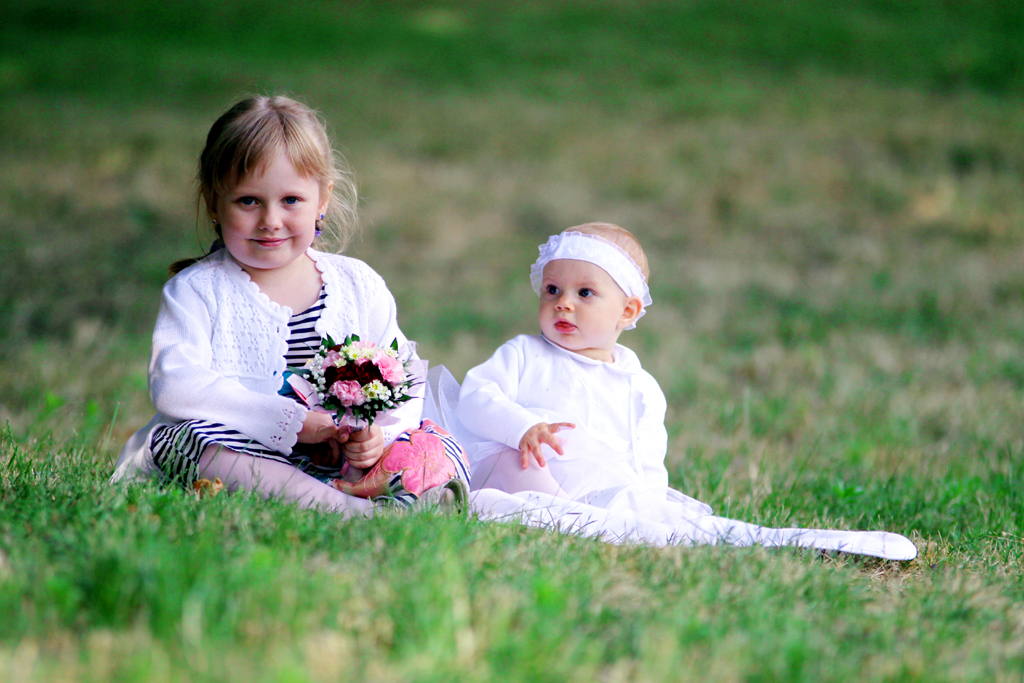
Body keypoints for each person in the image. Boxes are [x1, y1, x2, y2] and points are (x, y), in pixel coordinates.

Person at [455, 224, 917, 559]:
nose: (564, 302)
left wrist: (650, 498)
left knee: (653, 516)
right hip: (527, 470)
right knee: (526, 482)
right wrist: (523, 427)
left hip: (601, 489)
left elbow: (646, 458)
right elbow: (476, 398)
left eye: (585, 293)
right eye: (552, 288)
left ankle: (768, 540)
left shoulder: (640, 386)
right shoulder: (524, 354)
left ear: (628, 310)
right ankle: (538, 514)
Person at [112, 95, 468, 514]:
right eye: (248, 201)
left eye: (291, 201)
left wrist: (375, 433)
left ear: (323, 200)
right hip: (246, 453)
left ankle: (400, 496)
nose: (270, 220)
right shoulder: (198, 291)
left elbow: (403, 376)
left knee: (435, 440)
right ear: (213, 202)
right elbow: (176, 385)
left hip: (342, 459)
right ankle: (353, 512)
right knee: (184, 440)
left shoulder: (358, 284)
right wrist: (291, 423)